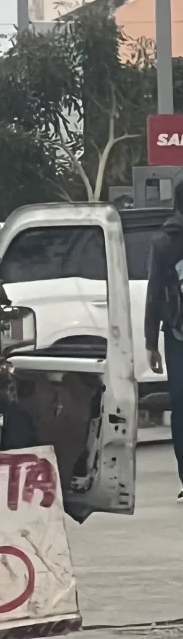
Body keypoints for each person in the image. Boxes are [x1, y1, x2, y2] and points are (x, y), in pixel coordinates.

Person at [145, 181, 183, 501]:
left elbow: (154, 294)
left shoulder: (163, 242)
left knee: (180, 407)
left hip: (176, 334)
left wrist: (150, 342)